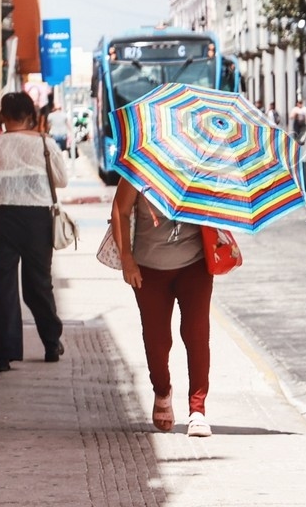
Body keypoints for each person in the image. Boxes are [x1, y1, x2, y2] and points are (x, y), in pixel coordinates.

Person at [0, 91, 68, 373]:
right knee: (39, 284)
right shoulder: (46, 145)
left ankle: (2, 355)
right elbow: (62, 180)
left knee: (1, 286)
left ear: (3, 117)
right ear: (31, 117)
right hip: (36, 221)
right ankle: (50, 344)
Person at [110, 178, 214, 437]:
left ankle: (197, 409)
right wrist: (127, 260)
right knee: (157, 338)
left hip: (195, 265)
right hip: (148, 269)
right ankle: (162, 391)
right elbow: (120, 211)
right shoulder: (140, 169)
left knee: (196, 333)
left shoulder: (202, 168)